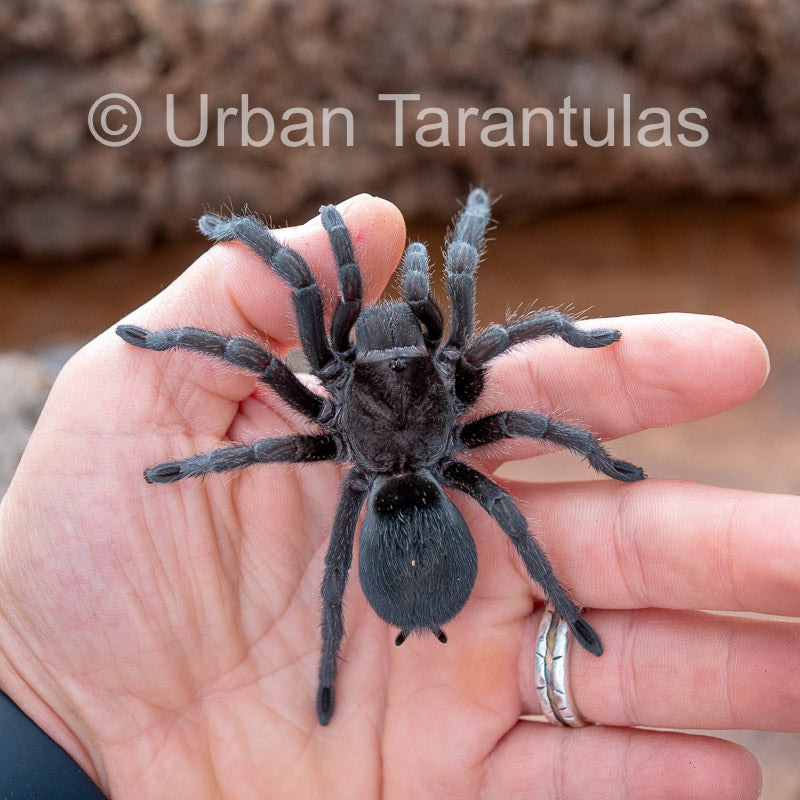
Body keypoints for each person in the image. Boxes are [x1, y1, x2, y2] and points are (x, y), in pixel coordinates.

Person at [0, 193, 793, 799]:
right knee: (510, 514)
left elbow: (262, 363)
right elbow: (508, 330)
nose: (393, 336)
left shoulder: (325, 418)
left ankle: (330, 676)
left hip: (377, 493)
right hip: (429, 487)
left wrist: (244, 247)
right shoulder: (464, 381)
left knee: (345, 548)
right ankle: (566, 613)